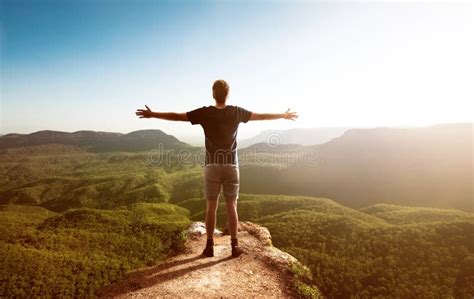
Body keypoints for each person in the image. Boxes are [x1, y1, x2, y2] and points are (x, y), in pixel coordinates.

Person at [136, 79, 298, 258]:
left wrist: (153, 114)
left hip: (212, 166)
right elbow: (260, 116)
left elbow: (178, 116)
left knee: (211, 207)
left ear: (213, 94)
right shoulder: (237, 112)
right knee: (232, 206)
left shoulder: (205, 113)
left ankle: (209, 246)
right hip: (231, 165)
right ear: (227, 94)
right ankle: (234, 246)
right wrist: (282, 115)